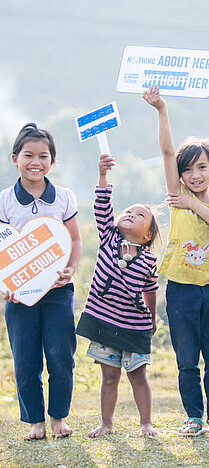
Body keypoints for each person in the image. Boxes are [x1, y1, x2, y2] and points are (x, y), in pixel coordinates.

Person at [144, 85, 209, 437]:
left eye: (202, 167)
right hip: (181, 290)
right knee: (187, 361)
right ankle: (194, 418)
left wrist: (194, 205)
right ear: (181, 176)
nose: (195, 175)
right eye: (188, 170)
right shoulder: (176, 194)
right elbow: (168, 152)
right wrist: (161, 109)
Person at [0, 123, 82, 440]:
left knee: (61, 356)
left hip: (58, 292)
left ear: (52, 161)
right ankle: (36, 422)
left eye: (43, 156)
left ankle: (58, 418)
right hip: (18, 296)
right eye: (28, 155)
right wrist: (4, 284)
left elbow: (74, 241)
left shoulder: (63, 197)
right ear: (15, 158)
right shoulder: (5, 200)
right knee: (25, 361)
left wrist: (70, 269)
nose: (36, 162)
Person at [76, 154, 160, 437]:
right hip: (103, 322)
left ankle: (146, 422)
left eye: (139, 216)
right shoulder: (109, 238)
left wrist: (152, 318)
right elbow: (102, 206)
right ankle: (106, 424)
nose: (130, 214)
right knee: (109, 377)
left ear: (147, 235)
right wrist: (102, 176)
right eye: (127, 211)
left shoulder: (148, 260)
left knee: (138, 376)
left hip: (134, 324)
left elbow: (150, 290)